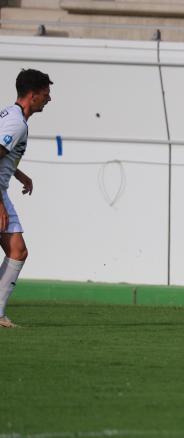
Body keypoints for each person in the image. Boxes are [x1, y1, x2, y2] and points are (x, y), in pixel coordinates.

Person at [0, 69, 53, 328]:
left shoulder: (10, 115)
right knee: (17, 250)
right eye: (45, 94)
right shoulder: (16, 123)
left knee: (17, 250)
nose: (49, 99)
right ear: (32, 96)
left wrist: (19, 175)